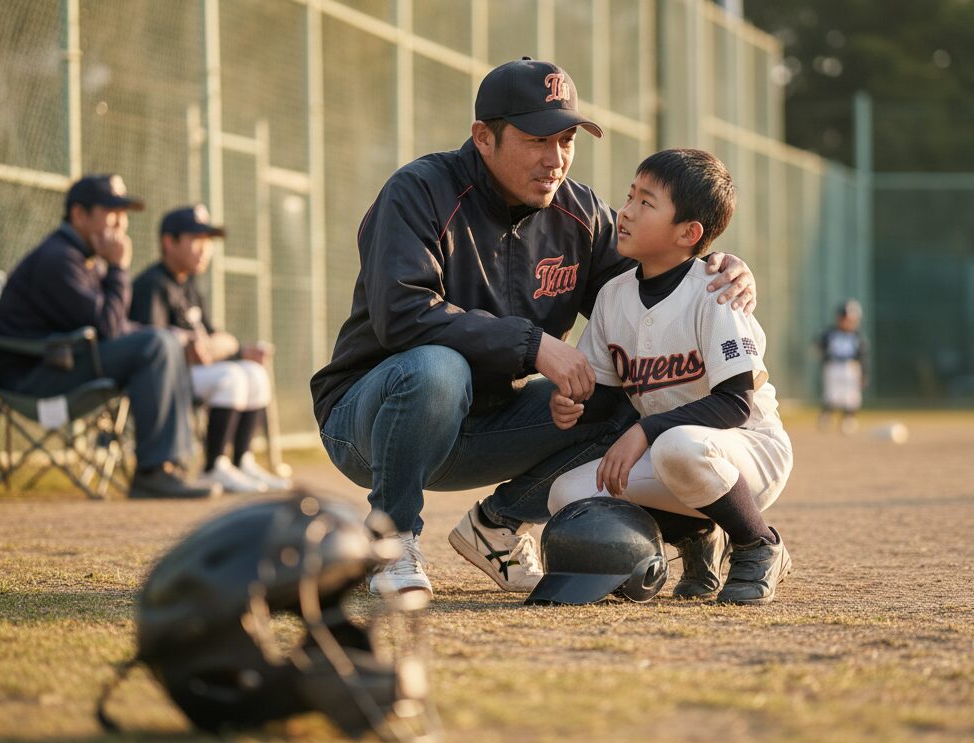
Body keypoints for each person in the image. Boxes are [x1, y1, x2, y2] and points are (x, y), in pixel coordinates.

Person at [309, 58, 758, 597]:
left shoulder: (581, 213)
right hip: (371, 421)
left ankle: (494, 525)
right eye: (537, 140)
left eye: (567, 139)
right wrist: (533, 345)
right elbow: (403, 314)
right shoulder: (417, 191)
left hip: (492, 421)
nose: (556, 159)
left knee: (619, 401)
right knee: (437, 366)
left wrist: (711, 265)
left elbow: (646, 295)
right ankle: (391, 539)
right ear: (484, 137)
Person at [545, 149, 793, 605]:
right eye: (629, 197)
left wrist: (644, 430)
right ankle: (698, 534)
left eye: (646, 203)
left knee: (675, 445)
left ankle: (758, 543)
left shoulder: (716, 290)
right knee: (567, 496)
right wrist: (573, 406)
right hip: (673, 454)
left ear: (688, 233)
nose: (626, 211)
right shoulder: (613, 296)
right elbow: (603, 395)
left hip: (748, 451)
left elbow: (736, 404)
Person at [0, 175, 217, 499]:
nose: (121, 223)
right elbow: (109, 328)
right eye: (111, 212)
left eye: (124, 214)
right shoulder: (58, 259)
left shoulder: (80, 257)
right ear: (79, 214)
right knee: (155, 345)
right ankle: (154, 470)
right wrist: (119, 267)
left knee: (165, 341)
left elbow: (114, 325)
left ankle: (169, 468)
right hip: (31, 378)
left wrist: (175, 336)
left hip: (60, 362)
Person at [129, 204, 294, 492]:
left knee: (254, 373)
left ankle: (241, 461)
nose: (204, 249)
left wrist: (236, 348)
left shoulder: (189, 284)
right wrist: (212, 346)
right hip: (169, 381)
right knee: (230, 377)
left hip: (197, 371)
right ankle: (213, 466)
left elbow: (216, 338)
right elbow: (154, 343)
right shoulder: (153, 283)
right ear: (169, 242)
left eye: (207, 242)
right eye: (196, 240)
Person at [817, 299, 867, 434]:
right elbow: (819, 345)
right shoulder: (830, 333)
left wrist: (864, 374)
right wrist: (823, 356)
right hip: (833, 366)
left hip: (851, 366)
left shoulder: (857, 336)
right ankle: (827, 416)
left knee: (851, 395)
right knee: (832, 393)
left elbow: (862, 355)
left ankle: (848, 419)